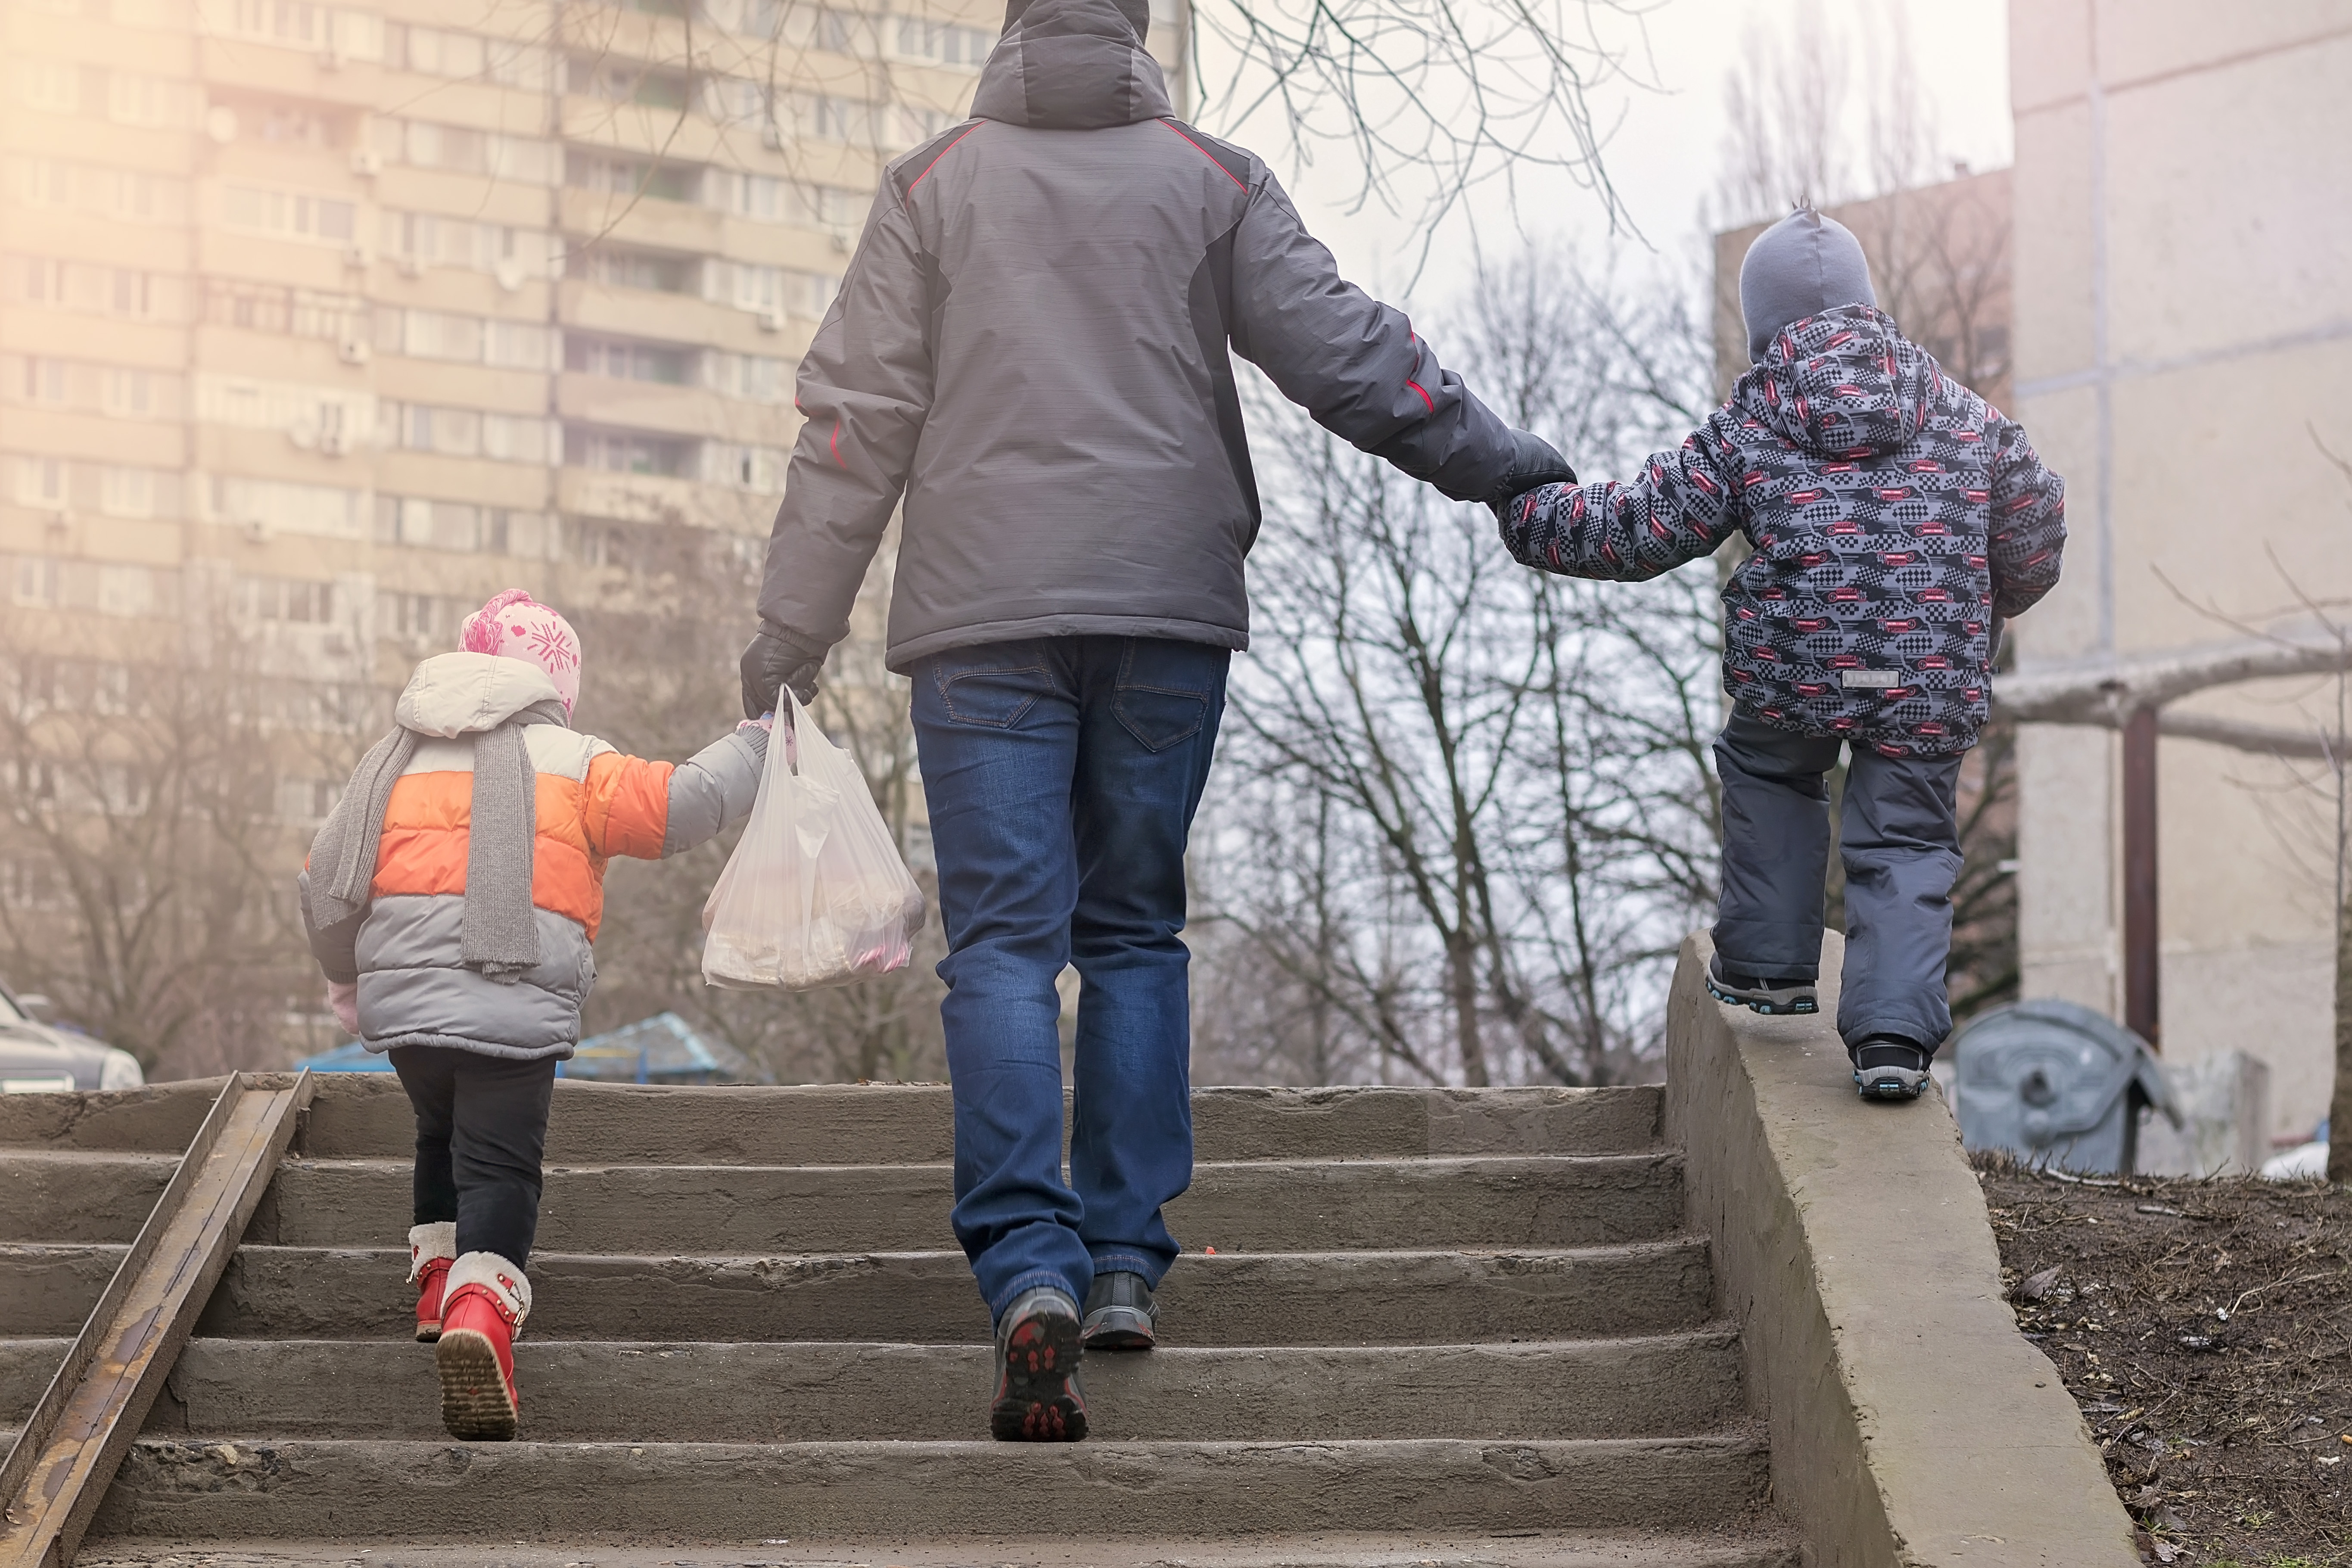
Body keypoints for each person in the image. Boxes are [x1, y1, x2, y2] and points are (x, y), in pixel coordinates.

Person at [737, 0, 1570, 1441]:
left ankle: (1026, 1267)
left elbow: (852, 420)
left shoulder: (934, 186)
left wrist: (789, 631)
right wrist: (1502, 466)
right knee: (1131, 929)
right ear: (1138, 34)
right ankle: (1122, 1256)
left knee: (1002, 941)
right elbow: (1352, 356)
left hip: (981, 617)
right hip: (1165, 610)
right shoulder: (1211, 177)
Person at [1490, 206, 2066, 1102]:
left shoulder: (1755, 417)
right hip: (1925, 673)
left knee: (1770, 769)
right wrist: (1986, 609)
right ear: (1870, 309)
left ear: (1766, 324)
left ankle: (1767, 968)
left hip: (1801, 662)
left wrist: (1528, 511)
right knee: (1908, 835)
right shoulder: (1964, 414)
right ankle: (1892, 1039)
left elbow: (1642, 528)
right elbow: (2037, 527)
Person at [299, 590, 768, 1440]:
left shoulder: (390, 758)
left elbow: (325, 878)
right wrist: (756, 745)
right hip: (507, 997)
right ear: (559, 682)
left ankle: (438, 1285)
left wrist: (348, 981)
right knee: (502, 1166)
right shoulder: (574, 757)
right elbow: (680, 805)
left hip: (402, 1011)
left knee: (439, 1136)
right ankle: (484, 1312)